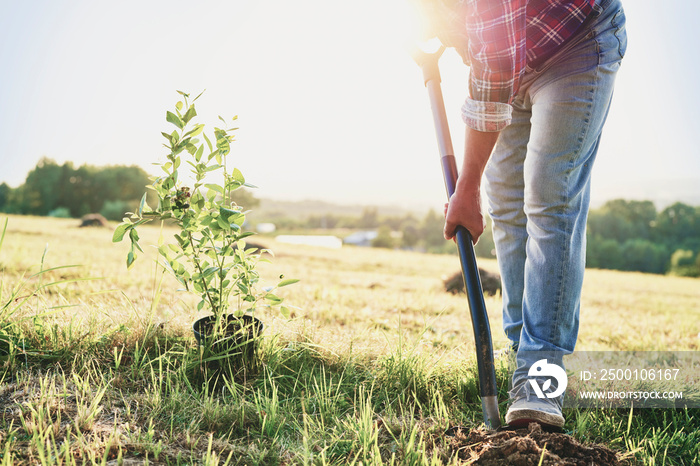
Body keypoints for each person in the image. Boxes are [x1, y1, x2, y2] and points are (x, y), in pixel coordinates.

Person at [422, 0, 627, 428]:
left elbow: (495, 68)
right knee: (507, 206)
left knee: (548, 197)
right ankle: (522, 362)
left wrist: (466, 186)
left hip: (577, 42)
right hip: (513, 58)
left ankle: (539, 379)